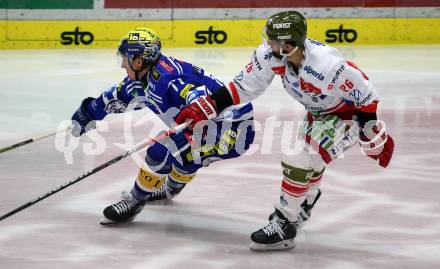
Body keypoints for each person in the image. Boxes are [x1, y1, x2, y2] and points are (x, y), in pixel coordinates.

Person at [175, 11, 394, 251]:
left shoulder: (327, 65)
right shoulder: (274, 56)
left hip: (346, 115)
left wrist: (369, 132)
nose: (267, 44)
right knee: (311, 160)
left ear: (288, 45)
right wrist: (210, 104)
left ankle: (284, 223)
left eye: (272, 40)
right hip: (318, 113)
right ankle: (305, 203)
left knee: (299, 158)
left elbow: (366, 94)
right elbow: (244, 86)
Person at [70, 27, 255, 225]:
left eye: (125, 59)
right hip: (215, 125)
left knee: (162, 151)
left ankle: (135, 200)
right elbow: (117, 95)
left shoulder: (170, 81)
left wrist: (195, 112)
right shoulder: (146, 76)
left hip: (233, 130)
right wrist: (88, 112)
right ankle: (170, 189)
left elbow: (197, 96)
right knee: (185, 153)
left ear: (138, 61)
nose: (123, 64)